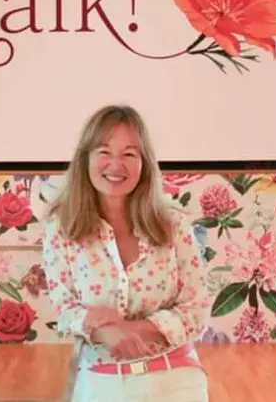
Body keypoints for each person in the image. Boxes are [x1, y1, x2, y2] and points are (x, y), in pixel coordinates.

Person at [42, 104, 209, 402]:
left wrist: (126, 330)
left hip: (177, 377)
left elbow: (195, 310)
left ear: (144, 164)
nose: (116, 165)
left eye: (129, 154)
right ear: (86, 159)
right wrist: (105, 333)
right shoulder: (61, 227)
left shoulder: (173, 223)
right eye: (104, 151)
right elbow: (65, 308)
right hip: (102, 379)